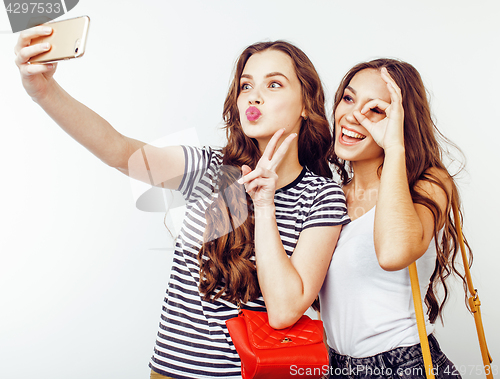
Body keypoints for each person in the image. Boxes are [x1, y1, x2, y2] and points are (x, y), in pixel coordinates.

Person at [15, 30, 350, 379]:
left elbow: (284, 310)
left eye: (274, 85)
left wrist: (264, 205)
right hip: (170, 372)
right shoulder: (210, 169)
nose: (254, 97)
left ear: (307, 104)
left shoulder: (321, 197)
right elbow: (118, 151)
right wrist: (44, 91)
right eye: (246, 86)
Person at [320, 59, 467, 378]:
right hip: (337, 368)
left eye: (376, 109)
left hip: (404, 367)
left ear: (401, 121)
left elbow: (393, 253)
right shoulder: (331, 197)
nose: (353, 115)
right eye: (348, 98)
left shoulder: (428, 185)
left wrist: (394, 147)